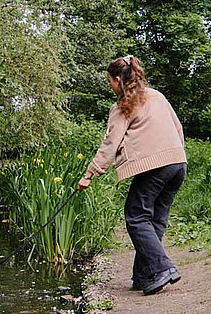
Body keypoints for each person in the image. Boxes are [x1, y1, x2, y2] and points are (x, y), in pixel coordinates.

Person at [77, 55, 187, 296]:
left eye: (110, 81)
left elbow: (110, 144)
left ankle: (163, 268)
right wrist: (176, 154)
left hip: (155, 167)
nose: (110, 86)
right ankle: (143, 276)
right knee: (154, 219)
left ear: (118, 79)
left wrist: (89, 174)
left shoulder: (122, 107)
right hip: (178, 163)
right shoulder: (156, 96)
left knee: (136, 216)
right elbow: (178, 127)